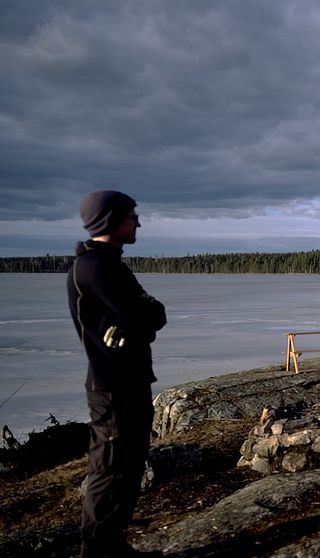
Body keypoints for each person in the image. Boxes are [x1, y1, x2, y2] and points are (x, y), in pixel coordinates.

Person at [68, 190, 167, 558]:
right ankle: (97, 552)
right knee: (111, 469)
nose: (137, 222)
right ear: (109, 220)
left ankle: (113, 545)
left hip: (127, 380)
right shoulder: (97, 267)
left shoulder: (109, 264)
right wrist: (142, 319)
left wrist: (142, 320)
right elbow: (149, 315)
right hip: (113, 386)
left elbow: (150, 316)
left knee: (127, 467)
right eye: (131, 216)